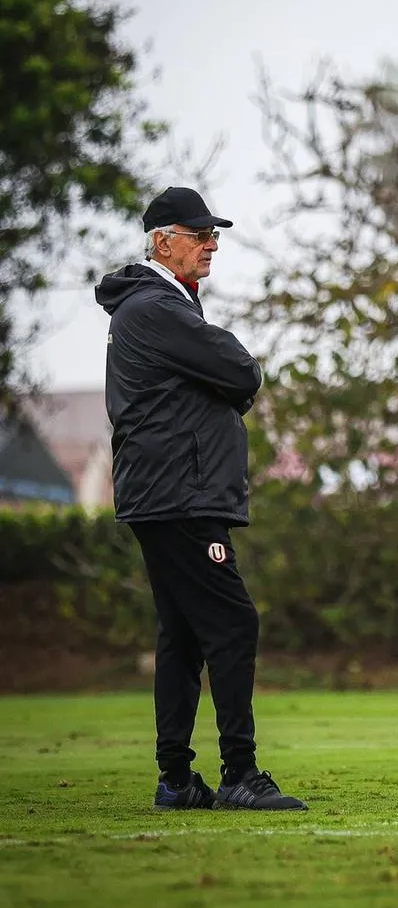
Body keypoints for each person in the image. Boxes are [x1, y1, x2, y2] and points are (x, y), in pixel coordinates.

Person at [95, 186, 307, 812]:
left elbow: (223, 380)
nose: (212, 244)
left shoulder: (158, 305)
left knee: (183, 634)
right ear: (163, 242)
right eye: (200, 234)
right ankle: (239, 772)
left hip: (168, 492)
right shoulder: (156, 307)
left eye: (214, 235)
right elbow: (241, 371)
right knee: (234, 622)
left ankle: (176, 780)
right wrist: (228, 383)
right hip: (179, 496)